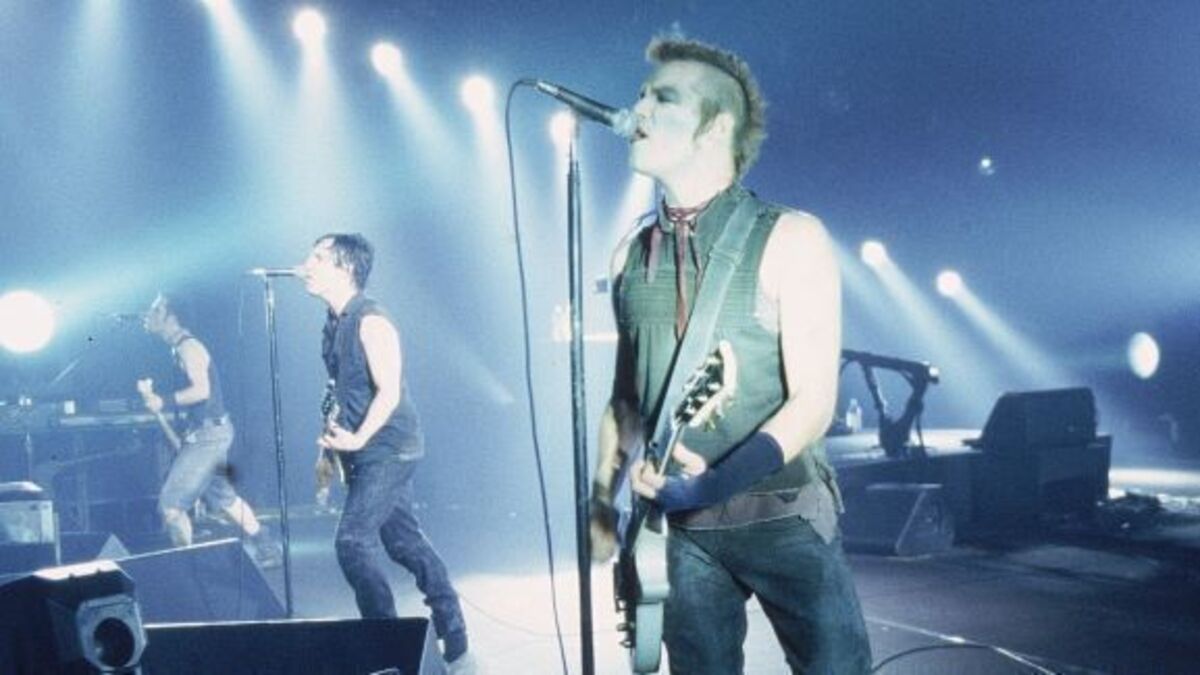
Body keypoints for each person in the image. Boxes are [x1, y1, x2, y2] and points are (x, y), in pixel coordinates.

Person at [589, 37, 872, 674]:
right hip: (682, 531)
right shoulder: (629, 255)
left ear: (716, 127)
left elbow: (813, 405)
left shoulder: (791, 237)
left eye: (663, 99)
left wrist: (711, 484)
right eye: (641, 95)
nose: (639, 109)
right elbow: (626, 402)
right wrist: (602, 498)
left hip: (783, 513)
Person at [300, 233, 474, 672]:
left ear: (345, 268)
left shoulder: (372, 321)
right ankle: (452, 626)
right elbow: (339, 393)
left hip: (391, 449)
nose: (306, 265)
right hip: (364, 450)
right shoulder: (333, 323)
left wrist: (358, 440)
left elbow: (389, 391)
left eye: (317, 257)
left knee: (352, 541)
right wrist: (328, 451)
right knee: (402, 542)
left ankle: (388, 643)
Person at [139, 292, 281, 567]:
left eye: (156, 310)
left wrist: (162, 401)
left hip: (209, 437)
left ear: (172, 318)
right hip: (209, 434)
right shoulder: (178, 348)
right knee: (225, 498)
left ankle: (189, 569)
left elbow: (201, 391)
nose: (148, 314)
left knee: (171, 506)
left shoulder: (188, 347)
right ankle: (267, 546)